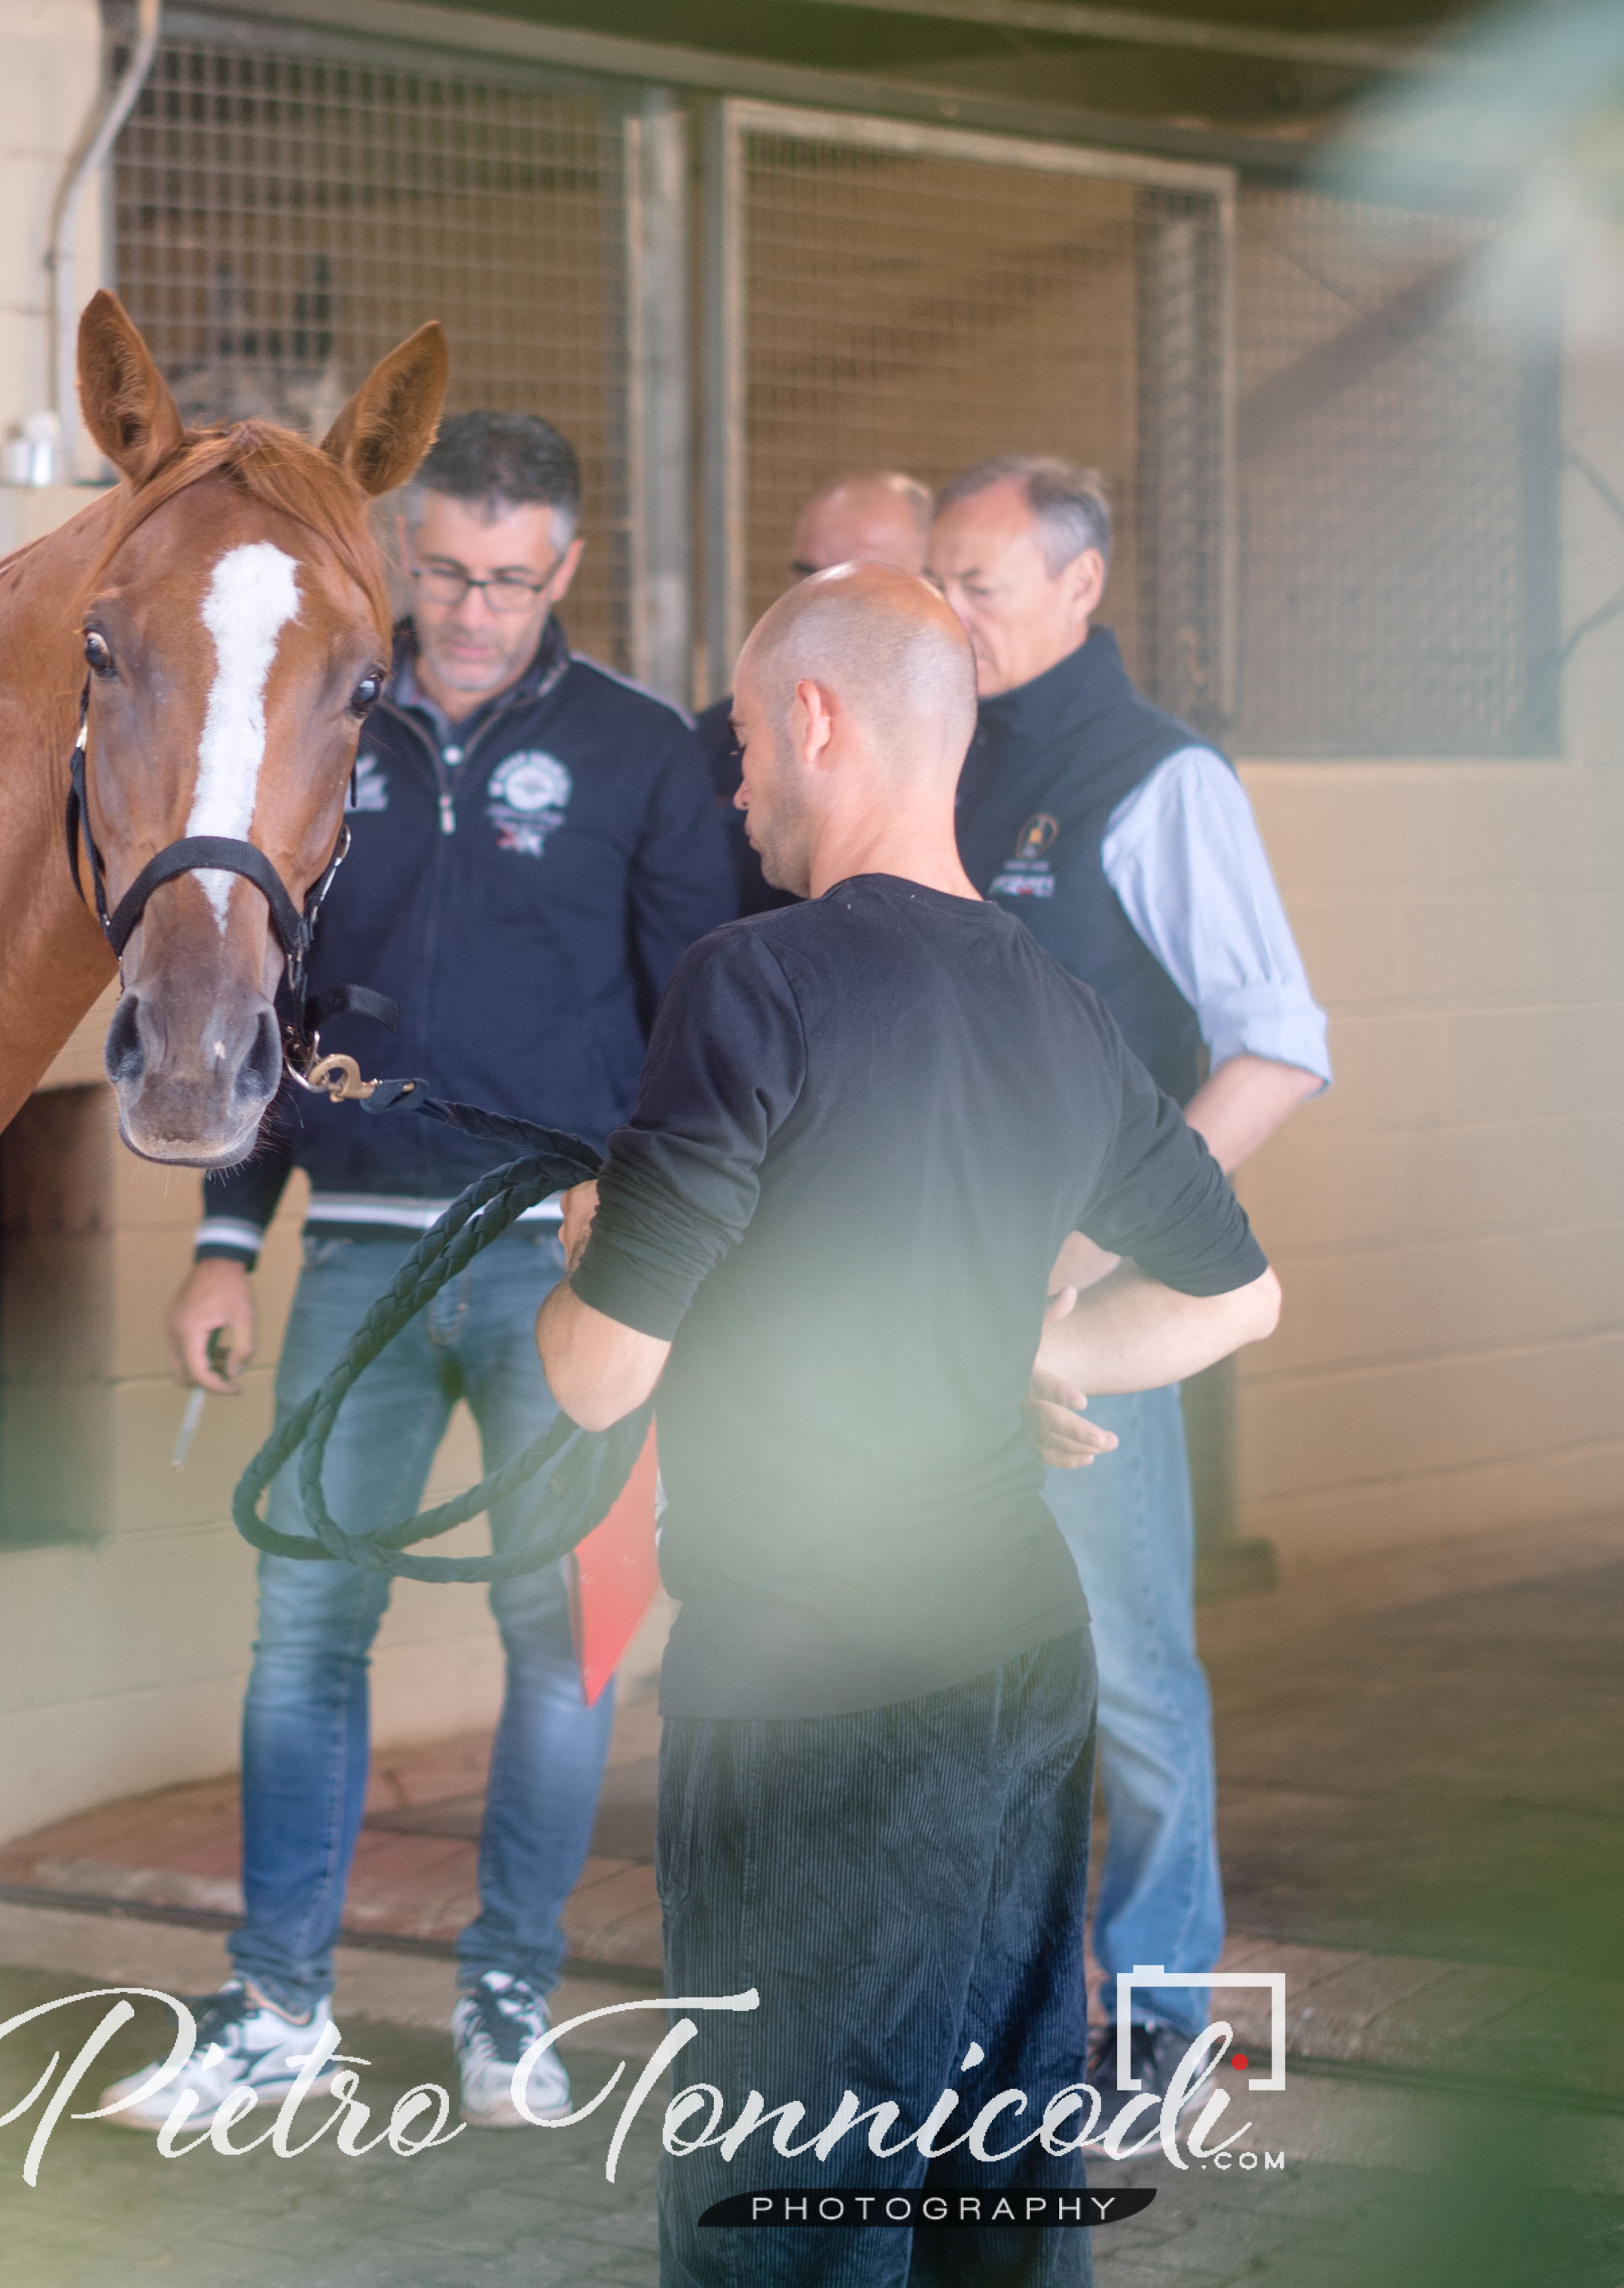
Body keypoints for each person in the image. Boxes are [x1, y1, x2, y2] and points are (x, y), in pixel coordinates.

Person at [533, 564, 1282, 2284]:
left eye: (738, 741)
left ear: (817, 717)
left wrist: (583, 1262)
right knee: (1000, 2196)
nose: (733, 790)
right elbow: (1239, 1297)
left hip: (810, 1685)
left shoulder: (748, 985)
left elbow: (596, 1376)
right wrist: (1036, 1357)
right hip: (1017, 1667)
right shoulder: (1050, 1001)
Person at [107, 410, 742, 2130]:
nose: (468, 611)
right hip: (360, 1257)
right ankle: (273, 2009)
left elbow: (707, 1016)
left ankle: (509, 2005)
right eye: (444, 571)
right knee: (306, 1625)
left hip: (566, 1268)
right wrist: (225, 1239)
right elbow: (259, 995)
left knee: (566, 1641)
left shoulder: (639, 755)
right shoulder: (335, 723)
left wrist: (662, 1231)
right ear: (401, 554)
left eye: (509, 581)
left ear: (567, 571)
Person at [924, 456, 1329, 2085]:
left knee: (1125, 1665)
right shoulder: (936, 748)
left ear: (1081, 588)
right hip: (922, 1307)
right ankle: (979, 1998)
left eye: (981, 585)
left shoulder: (1160, 780)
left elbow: (1281, 1048)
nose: (948, 612)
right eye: (935, 580)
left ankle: (1158, 1999)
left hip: (1079, 1315)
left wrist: (1093, 1244)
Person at [693, 467, 933, 915]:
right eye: (807, 576)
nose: (816, 605)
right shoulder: (712, 741)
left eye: (854, 583)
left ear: (934, 585)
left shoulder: (972, 749)